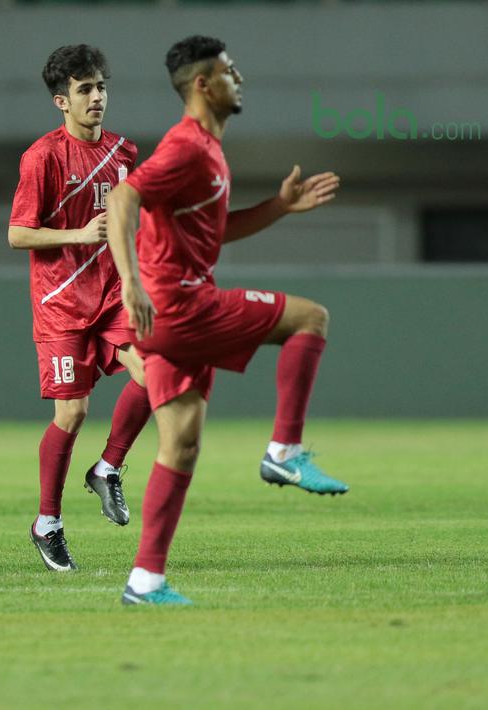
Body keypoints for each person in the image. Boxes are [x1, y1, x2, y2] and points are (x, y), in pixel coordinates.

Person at [105, 36, 349, 605]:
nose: (240, 78)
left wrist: (279, 208)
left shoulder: (209, 151)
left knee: (181, 445)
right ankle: (284, 453)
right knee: (310, 318)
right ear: (202, 84)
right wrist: (130, 282)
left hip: (168, 318)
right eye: (229, 71)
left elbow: (214, 232)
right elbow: (122, 199)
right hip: (180, 305)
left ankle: (146, 580)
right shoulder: (186, 147)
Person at [9, 45, 153, 572]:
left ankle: (108, 467)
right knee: (72, 412)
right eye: (85, 90)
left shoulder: (123, 153)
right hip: (60, 302)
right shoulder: (42, 157)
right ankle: (47, 522)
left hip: (111, 294)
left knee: (157, 370)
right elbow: (17, 233)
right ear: (60, 101)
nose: (97, 98)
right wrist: (76, 233)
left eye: (101, 87)